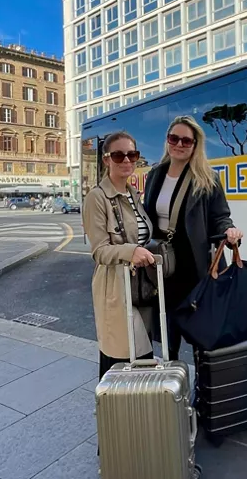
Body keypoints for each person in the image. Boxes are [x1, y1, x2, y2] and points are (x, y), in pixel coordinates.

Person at [142, 115, 244, 362]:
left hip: (194, 264)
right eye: (173, 138)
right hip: (163, 262)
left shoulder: (206, 178)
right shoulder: (156, 173)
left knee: (200, 330)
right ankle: (172, 384)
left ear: (195, 145)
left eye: (186, 140)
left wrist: (229, 232)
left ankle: (204, 392)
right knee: (168, 330)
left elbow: (221, 216)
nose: (179, 144)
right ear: (167, 140)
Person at [82, 131, 157, 382]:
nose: (126, 160)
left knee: (142, 352)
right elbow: (99, 251)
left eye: (132, 155)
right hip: (115, 287)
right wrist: (131, 252)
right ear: (106, 160)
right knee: (122, 355)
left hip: (139, 285)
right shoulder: (97, 198)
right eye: (118, 155)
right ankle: (118, 413)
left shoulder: (133, 195)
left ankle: (141, 411)